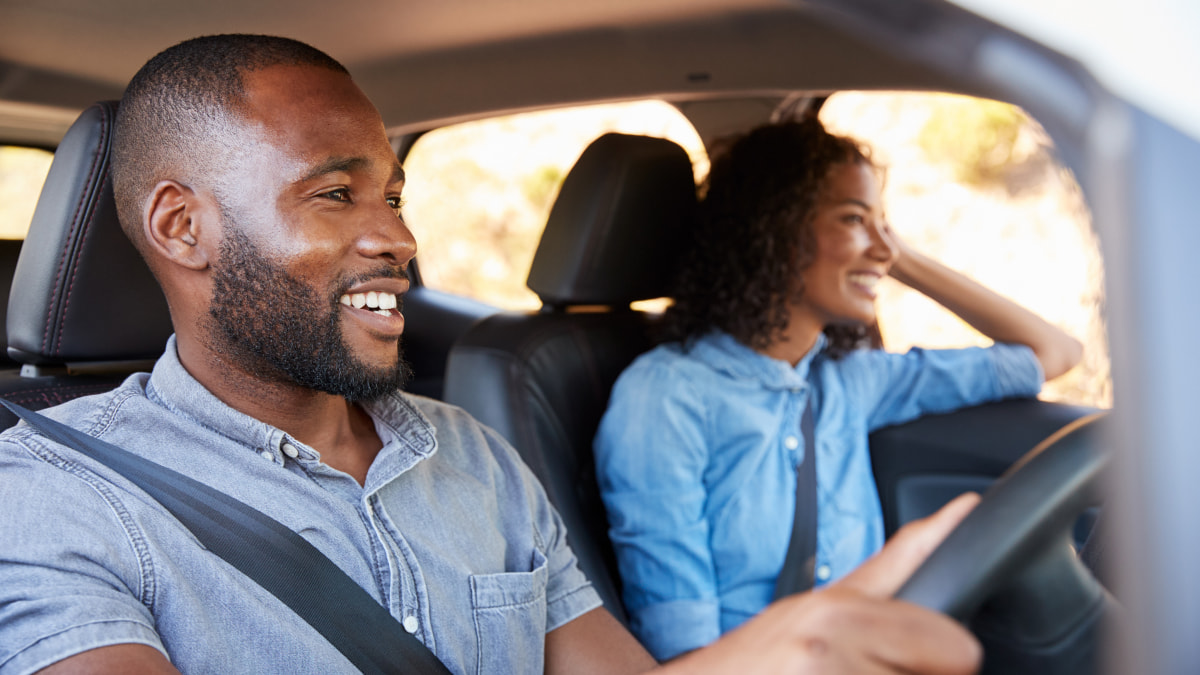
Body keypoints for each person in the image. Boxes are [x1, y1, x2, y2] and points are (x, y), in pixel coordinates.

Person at [0, 35, 982, 675]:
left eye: (394, 195)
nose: (398, 238)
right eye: (337, 195)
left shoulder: (468, 454)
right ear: (182, 227)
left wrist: (798, 644)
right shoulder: (54, 497)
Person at [594, 118, 1084, 660]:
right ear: (773, 231)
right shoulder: (664, 399)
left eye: (886, 226)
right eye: (854, 219)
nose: (883, 250)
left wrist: (896, 255)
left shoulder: (853, 378)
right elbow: (688, 658)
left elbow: (1054, 354)